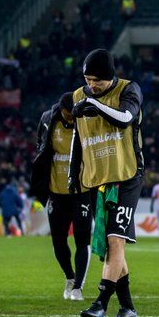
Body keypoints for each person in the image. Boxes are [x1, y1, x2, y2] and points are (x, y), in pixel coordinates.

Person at [68, 48, 145, 317]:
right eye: (88, 80)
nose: (92, 85)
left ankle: (100, 303)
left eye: (97, 80)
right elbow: (78, 138)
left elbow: (126, 118)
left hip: (126, 175)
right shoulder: (79, 95)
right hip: (96, 177)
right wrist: (72, 173)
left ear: (110, 76)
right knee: (110, 243)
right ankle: (127, 308)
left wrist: (95, 104)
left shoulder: (129, 89)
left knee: (114, 239)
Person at [31, 92, 94, 301]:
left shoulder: (87, 120)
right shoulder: (48, 120)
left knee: (82, 240)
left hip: (82, 191)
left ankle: (78, 287)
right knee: (58, 241)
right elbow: (41, 149)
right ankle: (69, 277)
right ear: (61, 110)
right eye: (68, 115)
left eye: (73, 115)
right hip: (56, 192)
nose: (70, 118)